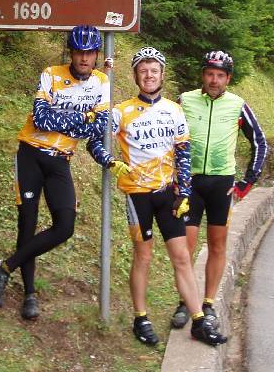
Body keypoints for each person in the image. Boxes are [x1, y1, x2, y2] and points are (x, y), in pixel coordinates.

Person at [88, 47, 227, 347]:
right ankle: (141, 317)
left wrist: (185, 192)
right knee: (144, 256)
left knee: (181, 257)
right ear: (136, 76)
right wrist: (109, 161)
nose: (149, 75)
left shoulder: (174, 110)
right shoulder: (121, 110)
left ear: (162, 75)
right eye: (143, 71)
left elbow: (183, 154)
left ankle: (198, 322)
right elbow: (94, 142)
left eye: (154, 71)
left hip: (168, 195)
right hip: (138, 196)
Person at [0, 25, 110, 320]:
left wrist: (67, 117)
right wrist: (82, 118)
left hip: (60, 160)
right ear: (71, 52)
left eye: (89, 52)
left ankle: (3, 267)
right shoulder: (51, 73)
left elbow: (100, 126)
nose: (84, 58)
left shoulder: (102, 82)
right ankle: (29, 294)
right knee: (27, 223)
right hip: (30, 153)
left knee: (65, 225)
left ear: (96, 55)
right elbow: (41, 119)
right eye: (79, 52)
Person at [169, 50, 268, 332]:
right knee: (184, 249)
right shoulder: (185, 101)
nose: (214, 80)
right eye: (210, 74)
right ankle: (185, 303)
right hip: (189, 185)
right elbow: (167, 136)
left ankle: (209, 303)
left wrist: (246, 183)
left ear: (228, 78)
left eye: (220, 76)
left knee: (217, 244)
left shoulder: (238, 105)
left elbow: (259, 142)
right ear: (203, 74)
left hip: (221, 185)